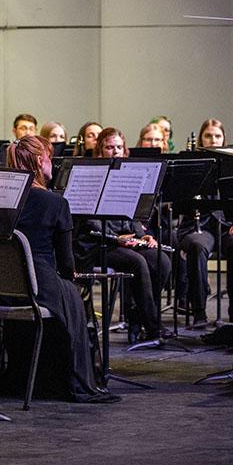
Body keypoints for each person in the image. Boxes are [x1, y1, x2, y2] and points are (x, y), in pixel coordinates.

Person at [0, 135, 116, 403]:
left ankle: (11, 375)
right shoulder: (55, 203)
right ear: (42, 162)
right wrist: (70, 279)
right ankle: (78, 380)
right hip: (35, 282)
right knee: (73, 297)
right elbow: (66, 263)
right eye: (50, 158)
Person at [73, 127, 169, 342]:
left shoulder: (127, 174)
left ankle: (137, 316)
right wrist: (116, 239)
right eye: (109, 147)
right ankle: (154, 327)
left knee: (162, 261)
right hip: (95, 243)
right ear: (100, 151)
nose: (115, 151)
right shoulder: (92, 175)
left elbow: (133, 214)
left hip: (123, 240)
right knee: (137, 262)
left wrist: (142, 236)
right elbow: (92, 223)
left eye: (118, 147)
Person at [174, 118, 233, 326]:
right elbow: (180, 201)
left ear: (224, 139)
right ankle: (199, 311)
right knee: (197, 246)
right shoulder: (191, 164)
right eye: (208, 136)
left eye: (217, 136)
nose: (213, 140)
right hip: (198, 225)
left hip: (227, 226)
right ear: (201, 139)